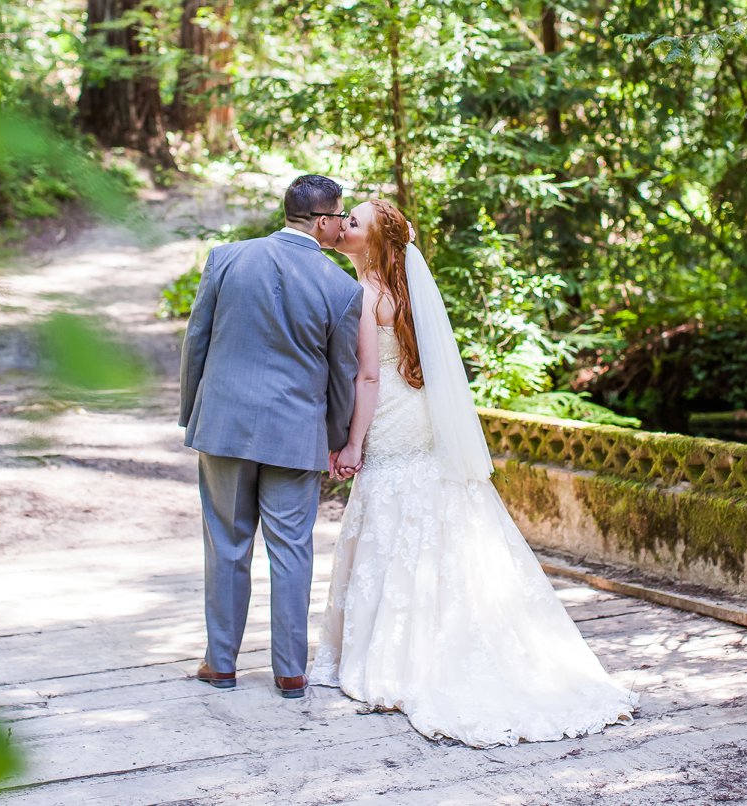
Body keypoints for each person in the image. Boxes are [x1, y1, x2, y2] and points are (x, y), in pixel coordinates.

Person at [310, 198, 639, 746]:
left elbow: (367, 379)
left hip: (389, 414)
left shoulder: (366, 293)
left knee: (389, 508)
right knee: (437, 511)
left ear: (376, 241)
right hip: (421, 412)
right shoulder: (408, 290)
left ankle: (396, 651)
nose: (343, 227)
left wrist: (350, 443)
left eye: (354, 223)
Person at [179, 174, 365, 698]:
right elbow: (342, 373)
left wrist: (193, 412)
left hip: (224, 426)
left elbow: (198, 340)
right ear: (325, 221)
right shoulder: (342, 288)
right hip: (295, 432)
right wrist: (334, 439)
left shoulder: (227, 258)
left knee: (226, 545)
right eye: (340, 216)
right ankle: (289, 670)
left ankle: (221, 664)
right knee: (291, 550)